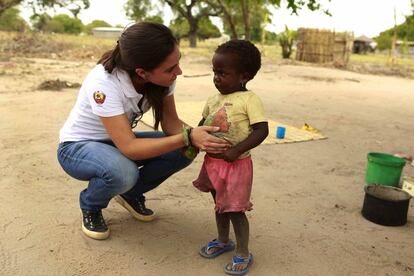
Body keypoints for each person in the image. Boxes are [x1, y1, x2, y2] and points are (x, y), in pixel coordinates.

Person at [57, 22, 230, 240]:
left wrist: (202, 136)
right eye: (170, 69)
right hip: (77, 148)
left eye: (177, 63)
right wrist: (187, 136)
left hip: (117, 142)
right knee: (123, 171)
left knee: (183, 150)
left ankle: (131, 194)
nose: (179, 72)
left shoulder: (164, 79)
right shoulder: (103, 82)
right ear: (142, 72)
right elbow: (130, 148)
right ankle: (91, 205)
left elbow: (171, 125)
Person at [192, 40, 269, 275]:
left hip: (236, 165)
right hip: (213, 163)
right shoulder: (212, 99)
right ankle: (223, 240)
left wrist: (236, 150)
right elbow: (201, 125)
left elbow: (261, 130)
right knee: (219, 205)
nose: (216, 78)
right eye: (215, 72)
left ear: (244, 76)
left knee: (235, 209)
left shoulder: (249, 100)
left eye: (223, 73)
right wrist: (193, 142)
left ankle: (243, 252)